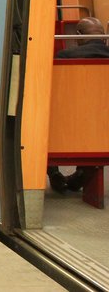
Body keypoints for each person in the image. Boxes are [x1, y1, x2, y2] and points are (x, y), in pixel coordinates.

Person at [48, 16, 109, 191]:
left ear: (79, 36)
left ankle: (54, 173)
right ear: (102, 36)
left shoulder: (65, 56)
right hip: (102, 127)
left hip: (67, 125)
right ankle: (82, 174)